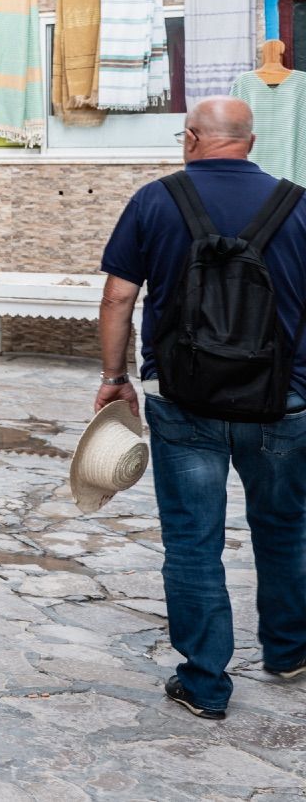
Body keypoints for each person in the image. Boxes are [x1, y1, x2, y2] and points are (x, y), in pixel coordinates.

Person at [98, 96, 306, 719]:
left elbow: (117, 297)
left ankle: (205, 683)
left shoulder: (155, 201)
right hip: (284, 401)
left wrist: (115, 377)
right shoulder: (298, 205)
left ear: (192, 139)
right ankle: (289, 651)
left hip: (184, 402)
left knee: (192, 540)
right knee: (286, 528)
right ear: (250, 140)